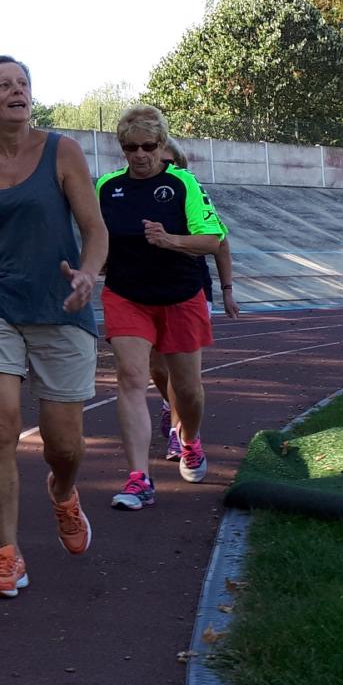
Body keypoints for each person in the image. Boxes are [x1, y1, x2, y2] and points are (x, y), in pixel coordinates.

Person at [0, 56, 107, 598]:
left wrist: (89, 274)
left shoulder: (61, 151)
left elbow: (94, 228)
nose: (18, 91)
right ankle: (8, 553)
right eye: (4, 85)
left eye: (23, 83)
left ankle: (63, 493)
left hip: (60, 305)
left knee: (65, 444)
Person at [96, 106, 226, 510]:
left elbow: (213, 240)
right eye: (130, 147)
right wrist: (84, 267)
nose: (139, 155)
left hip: (180, 296)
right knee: (131, 379)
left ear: (162, 145)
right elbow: (94, 237)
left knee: (186, 389)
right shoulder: (105, 187)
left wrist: (171, 241)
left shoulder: (184, 184)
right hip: (126, 296)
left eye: (148, 147)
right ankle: (138, 478)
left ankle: (189, 440)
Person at [151, 140, 240, 464]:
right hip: (145, 291)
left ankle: (180, 432)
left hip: (190, 290)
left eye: (171, 163)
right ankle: (169, 405)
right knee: (158, 370)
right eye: (161, 162)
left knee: (182, 373)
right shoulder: (136, 195)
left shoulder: (192, 197)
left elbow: (221, 245)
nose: (165, 168)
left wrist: (227, 290)